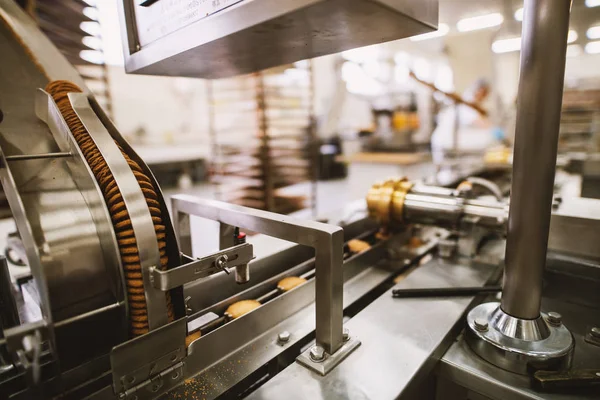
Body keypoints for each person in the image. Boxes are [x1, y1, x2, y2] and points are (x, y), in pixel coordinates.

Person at [431, 78, 500, 163]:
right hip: (444, 143)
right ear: (480, 90)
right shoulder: (467, 102)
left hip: (448, 143)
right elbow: (480, 122)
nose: (486, 96)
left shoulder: (471, 102)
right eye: (485, 93)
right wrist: (496, 131)